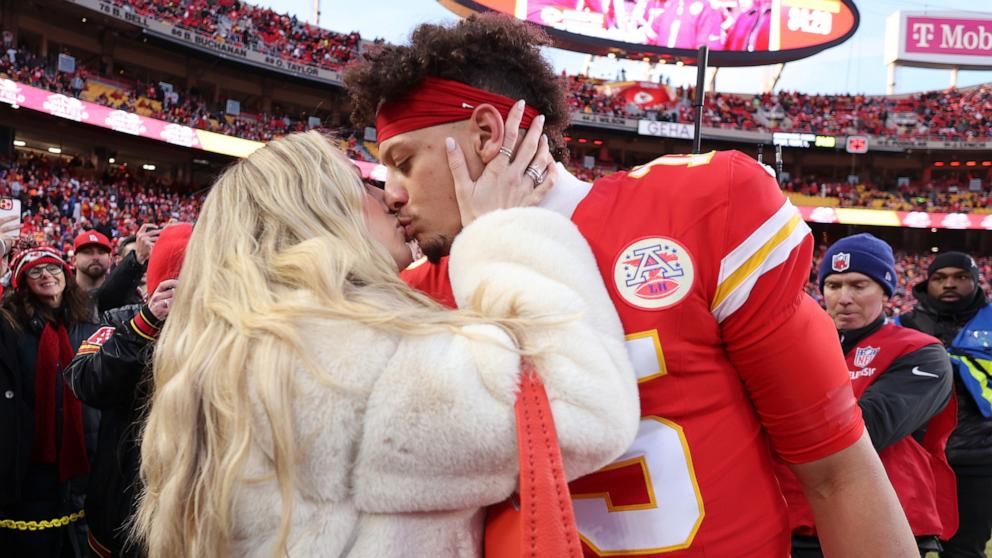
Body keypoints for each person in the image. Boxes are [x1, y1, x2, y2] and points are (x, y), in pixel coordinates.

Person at [343, 14, 917, 556]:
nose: (391, 191)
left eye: (402, 160)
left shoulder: (697, 210)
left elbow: (835, 472)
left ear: (488, 133)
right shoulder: (417, 291)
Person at [133, 130, 640, 558]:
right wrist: (498, 230)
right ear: (317, 213)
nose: (388, 196)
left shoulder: (240, 350)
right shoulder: (341, 358)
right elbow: (584, 407)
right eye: (360, 185)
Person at [774, 234, 957, 557]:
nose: (843, 298)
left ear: (885, 291)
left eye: (859, 285)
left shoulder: (921, 351)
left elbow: (869, 428)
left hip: (884, 522)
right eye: (833, 285)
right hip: (797, 521)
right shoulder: (792, 348)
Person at [64, 224, 190, 558]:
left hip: (192, 514)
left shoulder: (229, 332)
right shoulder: (123, 319)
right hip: (120, 510)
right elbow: (83, 380)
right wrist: (146, 324)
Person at [0, 247, 99, 557]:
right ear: (21, 282)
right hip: (31, 465)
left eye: (54, 268)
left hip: (81, 462)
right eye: (35, 271)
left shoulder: (85, 324)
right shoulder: (9, 328)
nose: (47, 275)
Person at [897, 251, 992, 558]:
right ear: (928, 282)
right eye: (940, 278)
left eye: (960, 277)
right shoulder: (903, 324)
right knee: (902, 546)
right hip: (913, 458)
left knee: (966, 550)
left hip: (978, 458)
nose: (949, 284)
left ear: (976, 281)